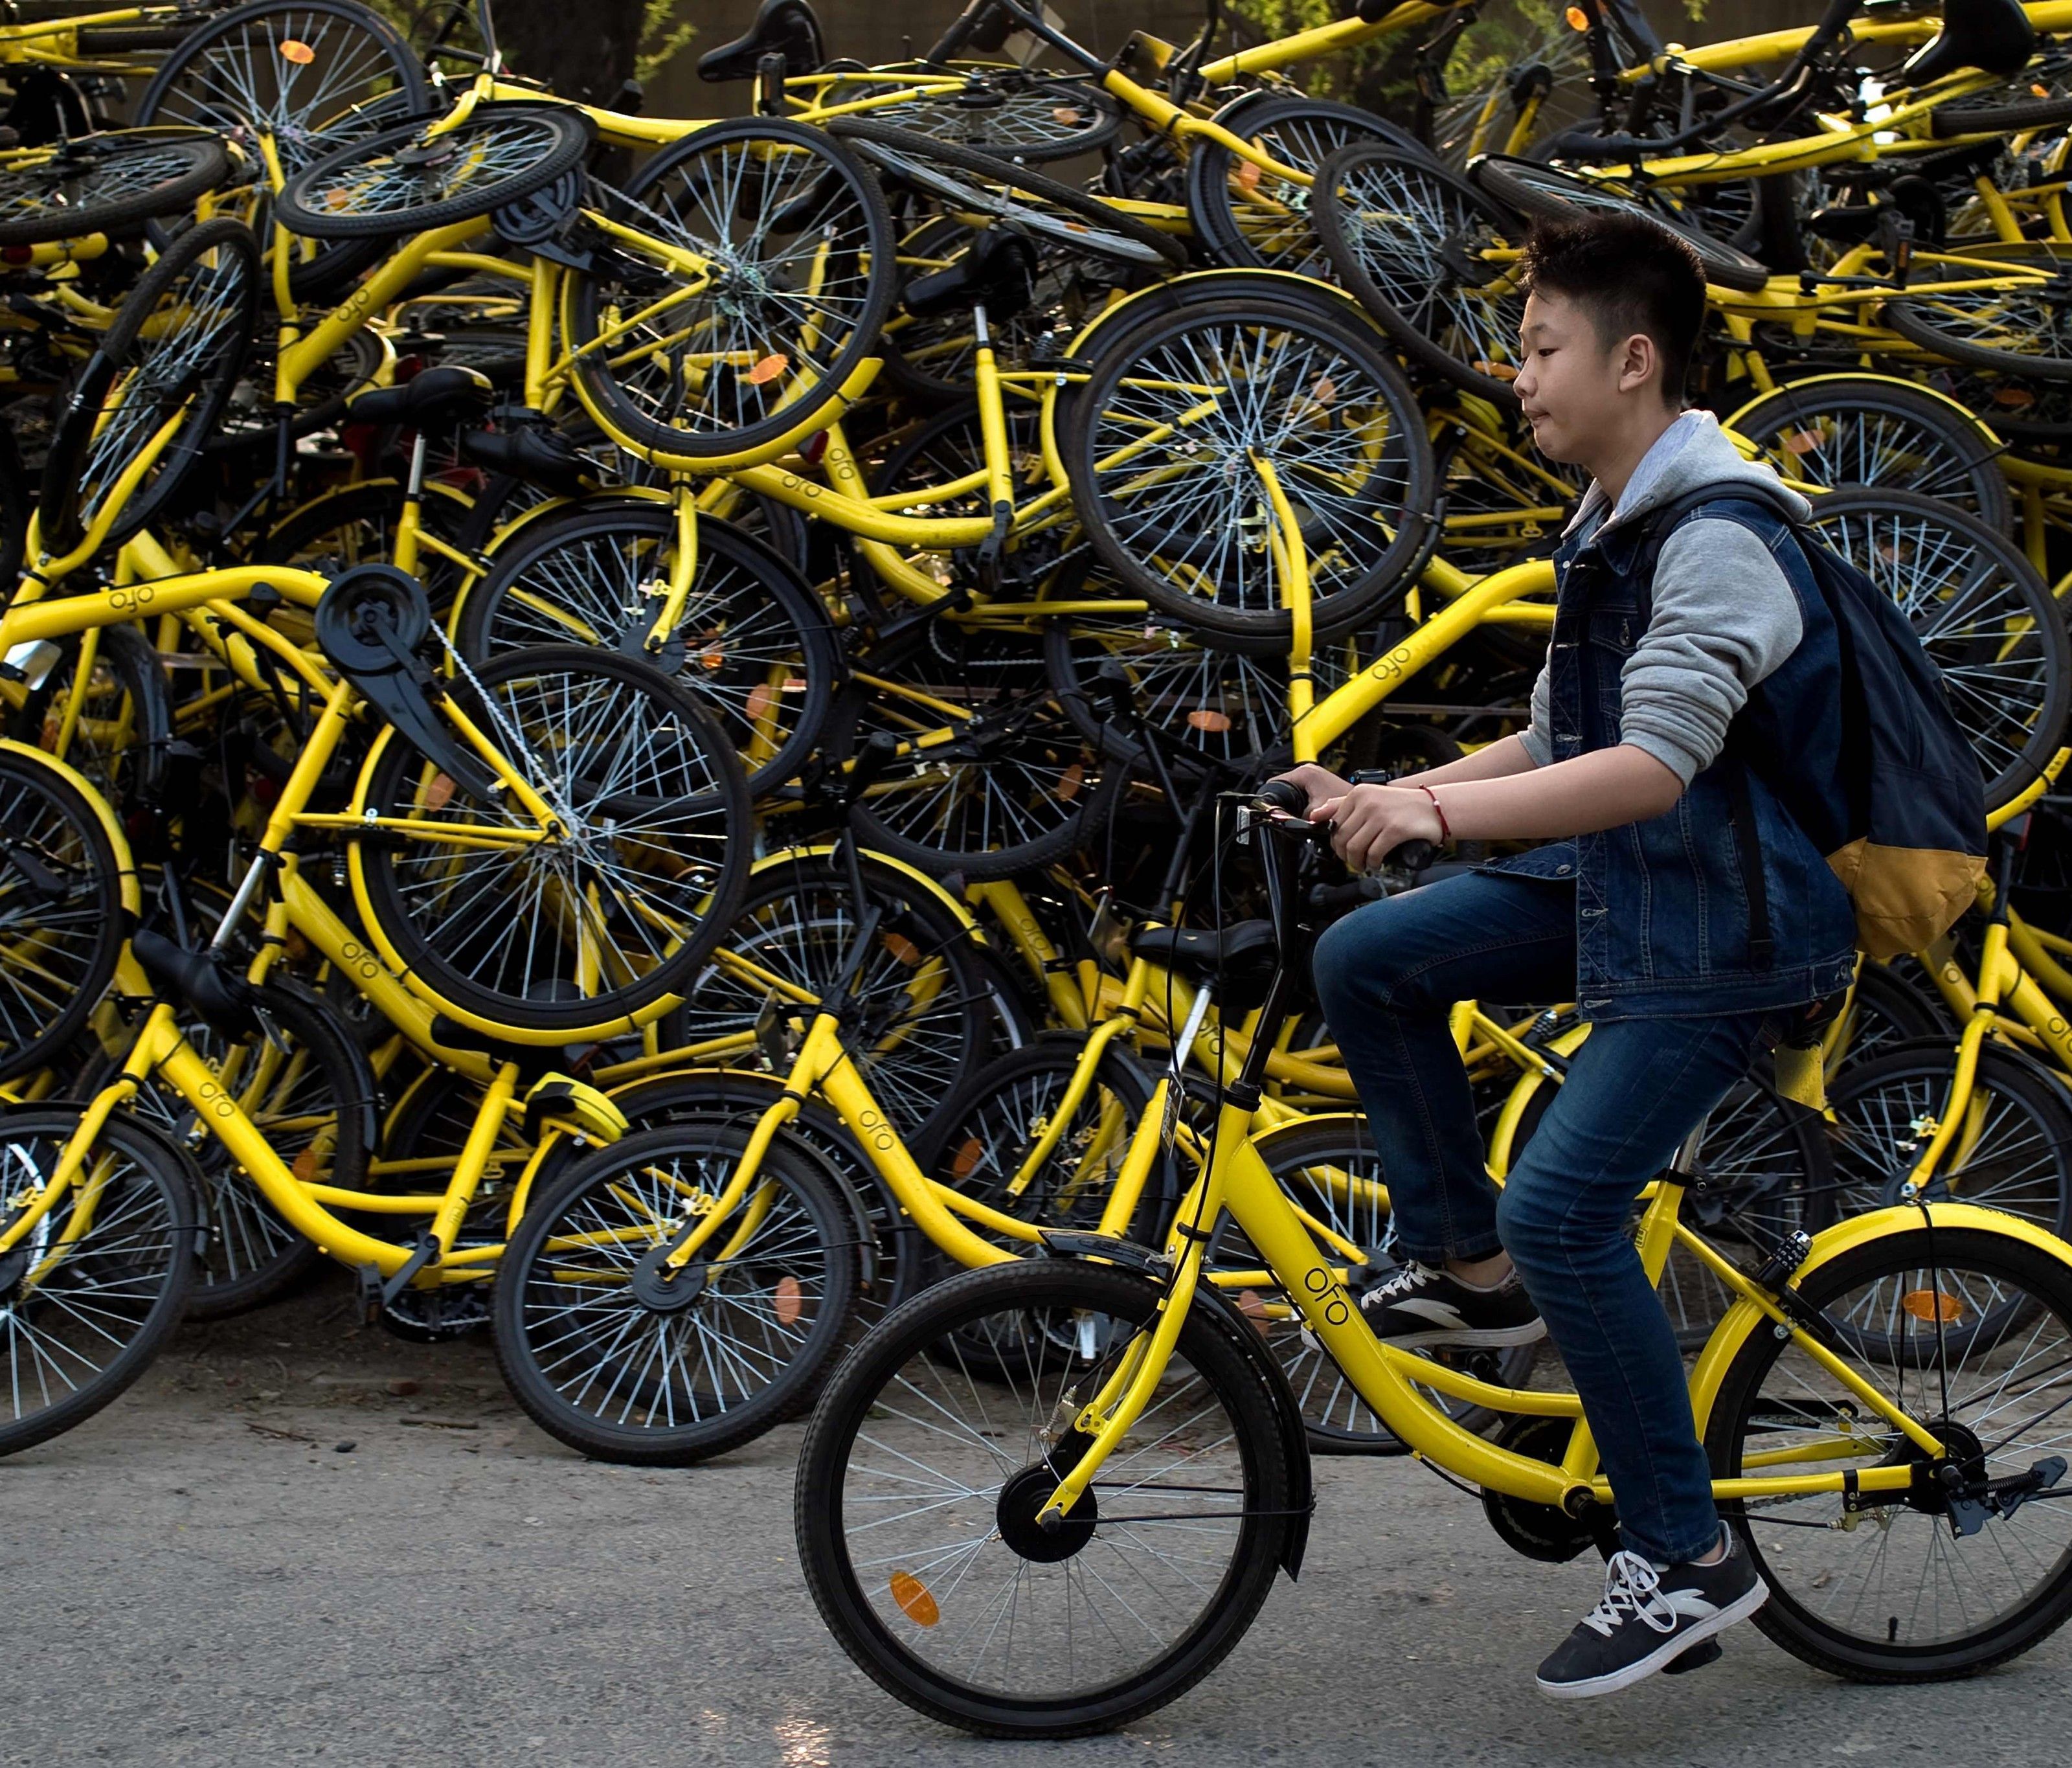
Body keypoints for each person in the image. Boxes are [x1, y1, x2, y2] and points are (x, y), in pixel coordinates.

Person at [1276, 210, 1859, 1699]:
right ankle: (1473, 1274)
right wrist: (1382, 800)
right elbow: (1560, 739)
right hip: (1626, 889)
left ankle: (1686, 1555)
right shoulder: (1612, 523)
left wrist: (1434, 810)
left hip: (1726, 934)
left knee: (1567, 1205)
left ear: (1635, 359)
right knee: (1371, 961)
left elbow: (1652, 764)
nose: (1515, 374)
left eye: (1540, 348)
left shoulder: (1722, 536)